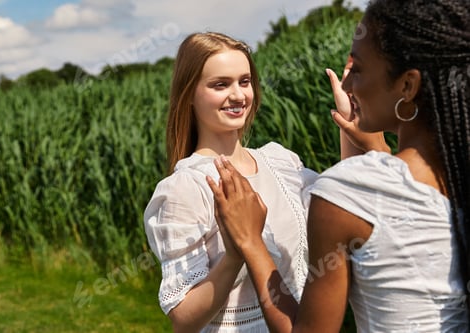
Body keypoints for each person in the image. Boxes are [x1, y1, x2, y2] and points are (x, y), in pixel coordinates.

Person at [207, 0, 470, 331]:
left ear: (407, 85)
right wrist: (375, 147)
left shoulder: (345, 190)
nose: (346, 85)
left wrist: (251, 243)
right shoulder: (455, 175)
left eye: (357, 69)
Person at [144, 31, 321, 332]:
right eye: (220, 84)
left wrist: (353, 130)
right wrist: (235, 254)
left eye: (245, 81)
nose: (239, 95)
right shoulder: (187, 187)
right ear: (189, 94)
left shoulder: (280, 161)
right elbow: (184, 319)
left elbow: (339, 205)